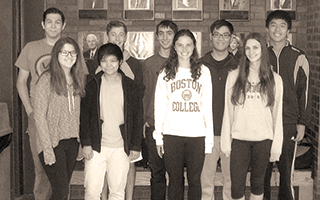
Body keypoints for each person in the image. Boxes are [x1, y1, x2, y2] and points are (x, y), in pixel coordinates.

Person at [221, 32, 283, 200]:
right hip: (240, 140)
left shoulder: (275, 79)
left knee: (258, 185)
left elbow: (277, 116)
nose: (251, 51)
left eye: (255, 47)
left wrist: (276, 147)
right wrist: (226, 142)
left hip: (263, 140)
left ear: (263, 49)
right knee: (236, 187)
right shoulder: (234, 76)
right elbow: (228, 112)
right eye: (247, 48)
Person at [154, 29, 213, 200]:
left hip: (197, 135)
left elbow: (207, 108)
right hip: (172, 134)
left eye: (188, 45)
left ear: (194, 47)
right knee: (174, 180)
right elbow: (160, 106)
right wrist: (159, 137)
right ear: (174, 47)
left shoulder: (203, 71)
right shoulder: (165, 72)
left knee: (195, 180)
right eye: (180, 44)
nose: (184, 49)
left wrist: (208, 141)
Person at [80, 43, 143, 200]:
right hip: (96, 147)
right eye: (104, 60)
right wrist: (86, 143)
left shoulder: (131, 86)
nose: (108, 65)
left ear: (120, 62)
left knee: (117, 192)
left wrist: (135, 146)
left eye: (113, 60)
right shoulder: (92, 84)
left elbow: (137, 117)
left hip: (121, 147)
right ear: (99, 62)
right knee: (92, 192)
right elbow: (84, 116)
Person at [15, 7, 66, 200]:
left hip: (64, 120)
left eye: (57, 22)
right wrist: (29, 110)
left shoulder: (69, 48)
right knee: (42, 169)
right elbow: (21, 82)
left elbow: (79, 81)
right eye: (50, 22)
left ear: (63, 25)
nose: (53, 26)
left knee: (62, 172)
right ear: (43, 25)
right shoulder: (31, 48)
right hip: (38, 117)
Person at [264, 10, 312, 200]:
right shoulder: (258, 55)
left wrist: (302, 123)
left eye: (282, 26)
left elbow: (305, 93)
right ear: (267, 29)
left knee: (286, 173)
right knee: (263, 173)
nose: (277, 29)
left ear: (288, 31)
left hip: (288, 123)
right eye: (273, 25)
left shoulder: (299, 57)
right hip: (263, 123)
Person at [34, 37, 87, 200]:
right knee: (61, 191)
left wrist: (79, 143)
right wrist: (47, 149)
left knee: (61, 192)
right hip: (53, 142)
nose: (69, 56)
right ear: (56, 54)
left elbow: (77, 115)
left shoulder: (78, 80)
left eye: (73, 53)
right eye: (65, 52)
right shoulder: (46, 79)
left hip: (71, 142)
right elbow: (39, 116)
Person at [98, 20, 144, 200]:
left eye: (121, 35)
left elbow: (140, 94)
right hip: (104, 128)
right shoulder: (99, 63)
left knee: (129, 163)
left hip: (128, 125)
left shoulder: (135, 64)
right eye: (113, 35)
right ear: (107, 36)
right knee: (103, 166)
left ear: (126, 37)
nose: (117, 38)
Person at [199, 19, 239, 200]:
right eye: (217, 34)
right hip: (206, 132)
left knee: (231, 180)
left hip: (231, 132)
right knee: (205, 180)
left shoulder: (239, 66)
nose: (221, 39)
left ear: (231, 38)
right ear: (210, 37)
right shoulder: (199, 65)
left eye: (225, 35)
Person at [142, 19, 178, 200]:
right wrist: (145, 121)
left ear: (175, 36)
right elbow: (146, 94)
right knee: (157, 173)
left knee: (175, 174)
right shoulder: (148, 64)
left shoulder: (182, 62)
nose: (165, 38)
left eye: (169, 33)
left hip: (176, 127)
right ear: (156, 37)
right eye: (161, 33)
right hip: (154, 125)